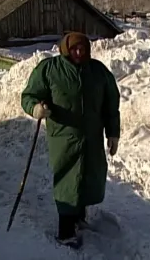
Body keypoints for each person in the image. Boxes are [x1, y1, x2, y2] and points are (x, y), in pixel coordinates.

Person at [20, 32, 121, 249]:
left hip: (92, 138)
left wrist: (113, 133)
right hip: (64, 138)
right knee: (68, 181)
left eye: (83, 49)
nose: (79, 52)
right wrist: (36, 108)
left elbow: (111, 105)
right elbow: (29, 96)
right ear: (65, 49)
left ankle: (78, 219)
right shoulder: (49, 69)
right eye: (74, 49)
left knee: (87, 177)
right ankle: (65, 232)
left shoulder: (98, 72)